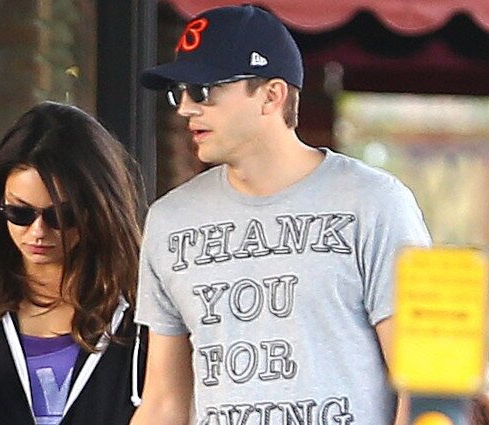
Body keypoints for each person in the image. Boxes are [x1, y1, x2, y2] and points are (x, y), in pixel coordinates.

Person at [131, 5, 432, 425]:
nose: (184, 108)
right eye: (177, 92)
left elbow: (423, 382)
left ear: (272, 95)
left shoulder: (374, 203)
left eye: (202, 91)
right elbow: (163, 401)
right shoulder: (168, 221)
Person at [0, 101, 146, 425]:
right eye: (19, 213)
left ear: (96, 210)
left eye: (60, 216)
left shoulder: (137, 311)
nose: (37, 232)